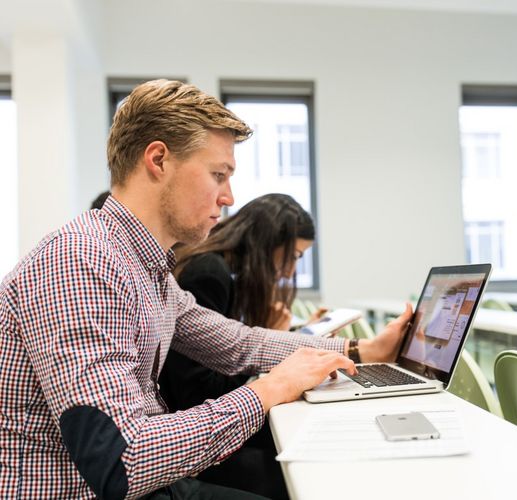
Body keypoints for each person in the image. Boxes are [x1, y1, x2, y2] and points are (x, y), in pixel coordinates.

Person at [0, 79, 412, 499]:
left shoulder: (146, 267)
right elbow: (123, 461)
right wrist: (267, 391)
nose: (228, 197)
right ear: (158, 159)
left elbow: (239, 344)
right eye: (219, 175)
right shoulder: (80, 263)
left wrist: (358, 352)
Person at [159, 193, 322, 496]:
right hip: (191, 437)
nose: (290, 272)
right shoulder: (209, 273)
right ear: (268, 242)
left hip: (198, 425)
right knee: (292, 470)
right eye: (294, 256)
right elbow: (200, 391)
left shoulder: (223, 270)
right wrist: (267, 352)